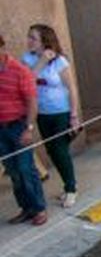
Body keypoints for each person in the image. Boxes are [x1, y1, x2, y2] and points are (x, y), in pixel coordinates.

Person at [22, 24, 80, 208]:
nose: (29, 41)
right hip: (42, 113)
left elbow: (71, 88)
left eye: (33, 38)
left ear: (44, 41)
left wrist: (74, 115)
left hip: (61, 111)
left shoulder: (60, 61)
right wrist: (41, 63)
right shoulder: (27, 59)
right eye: (29, 37)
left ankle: (71, 188)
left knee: (60, 150)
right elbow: (27, 82)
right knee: (51, 151)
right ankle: (68, 185)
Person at [0, 35, 47, 225]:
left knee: (26, 169)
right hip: (1, 129)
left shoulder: (20, 71)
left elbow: (32, 102)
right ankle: (26, 208)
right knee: (13, 171)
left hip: (18, 125)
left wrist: (28, 128)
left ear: (2, 46)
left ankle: (39, 208)